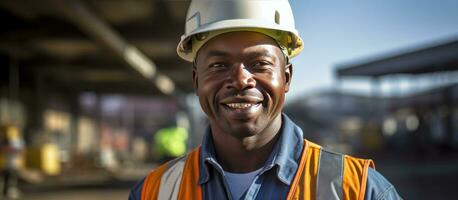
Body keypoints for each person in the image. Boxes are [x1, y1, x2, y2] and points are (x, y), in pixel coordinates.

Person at [129, 0, 402, 199]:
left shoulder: (358, 190)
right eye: (218, 65)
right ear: (196, 81)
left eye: (259, 63)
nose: (240, 80)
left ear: (287, 78)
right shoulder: (153, 192)